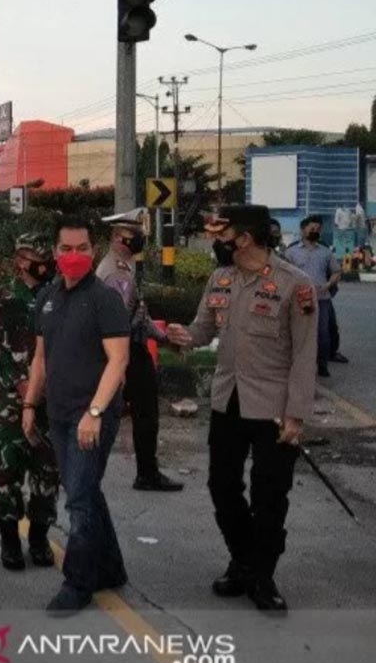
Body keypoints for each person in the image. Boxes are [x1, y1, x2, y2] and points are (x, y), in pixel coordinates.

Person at [166, 205, 316, 612]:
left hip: (273, 408)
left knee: (271, 496)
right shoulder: (222, 278)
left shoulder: (295, 285)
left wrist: (296, 416)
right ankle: (243, 559)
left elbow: (304, 356)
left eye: (222, 233)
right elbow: (203, 330)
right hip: (227, 401)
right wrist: (184, 336)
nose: (216, 240)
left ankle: (262, 576)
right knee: (222, 486)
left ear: (244, 238)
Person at [24, 215, 132, 614]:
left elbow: (118, 361)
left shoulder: (105, 299)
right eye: (66, 249)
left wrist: (95, 411)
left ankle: (78, 582)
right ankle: (111, 567)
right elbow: (40, 357)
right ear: (55, 253)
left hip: (93, 417)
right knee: (82, 491)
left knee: (80, 500)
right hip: (59, 414)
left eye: (82, 249)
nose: (74, 256)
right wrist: (29, 405)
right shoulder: (48, 296)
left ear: (94, 251)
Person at [0, 234, 60, 572]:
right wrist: (21, 381)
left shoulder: (58, 297)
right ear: (21, 260)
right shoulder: (1, 300)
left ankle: (39, 538)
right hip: (11, 402)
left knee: (48, 471)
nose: (43, 262)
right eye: (35, 256)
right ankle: (9, 540)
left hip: (51, 401)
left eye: (46, 255)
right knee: (8, 469)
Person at [96, 208, 183, 493]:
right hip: (127, 352)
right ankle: (146, 473)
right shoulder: (115, 274)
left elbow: (139, 316)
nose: (141, 239)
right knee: (143, 414)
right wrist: (119, 363)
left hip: (130, 349)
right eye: (136, 235)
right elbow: (118, 322)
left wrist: (162, 339)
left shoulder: (124, 267)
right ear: (119, 237)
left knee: (139, 413)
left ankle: (146, 471)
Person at [284, 216, 343, 375]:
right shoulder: (291, 252)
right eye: (312, 229)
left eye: (318, 229)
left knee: (322, 333)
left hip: (322, 299)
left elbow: (337, 271)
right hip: (299, 299)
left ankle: (322, 365)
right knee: (298, 333)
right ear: (303, 230)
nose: (315, 232)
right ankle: (298, 365)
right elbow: (284, 275)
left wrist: (328, 285)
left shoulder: (325, 252)